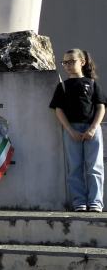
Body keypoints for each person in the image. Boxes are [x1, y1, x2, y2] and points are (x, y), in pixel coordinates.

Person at [49, 48, 106, 212]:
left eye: (71, 61)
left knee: (94, 167)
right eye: (64, 62)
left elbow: (100, 107)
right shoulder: (63, 87)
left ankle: (95, 202)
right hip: (71, 130)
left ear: (82, 62)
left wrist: (93, 128)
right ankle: (79, 201)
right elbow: (58, 109)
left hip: (92, 129)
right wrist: (70, 130)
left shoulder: (92, 84)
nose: (67, 65)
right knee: (74, 167)